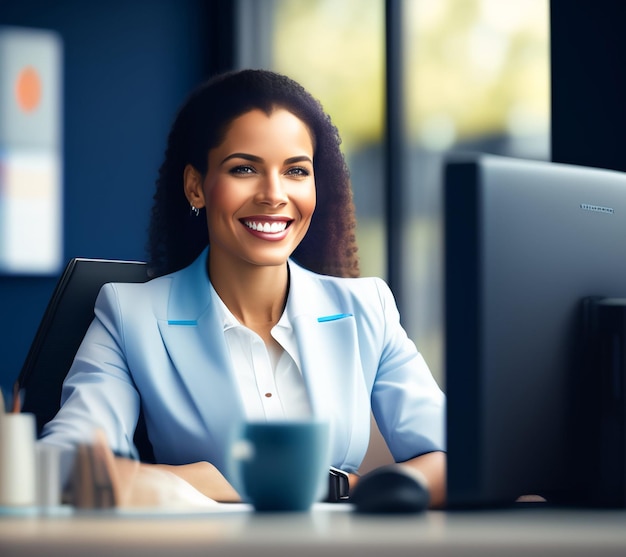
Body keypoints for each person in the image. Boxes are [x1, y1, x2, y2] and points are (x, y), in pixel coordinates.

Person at [39, 69, 447, 507]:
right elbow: (66, 464)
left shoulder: (367, 307)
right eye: (245, 168)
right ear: (196, 186)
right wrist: (208, 484)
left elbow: (456, 455)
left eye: (295, 171)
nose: (274, 194)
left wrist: (345, 487)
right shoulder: (130, 314)